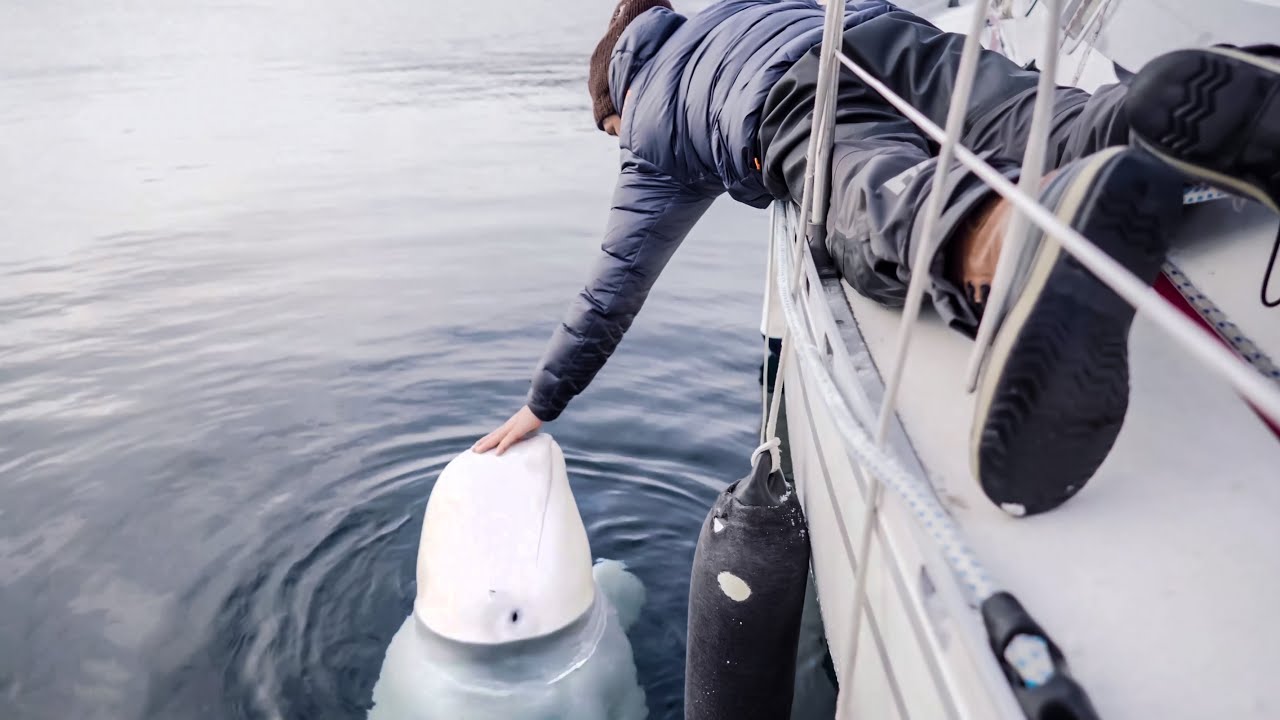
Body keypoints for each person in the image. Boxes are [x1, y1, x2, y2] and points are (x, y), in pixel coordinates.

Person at [475, 0, 1279, 515]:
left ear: (614, 105)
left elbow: (610, 290)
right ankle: (1143, 115)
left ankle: (1004, 240)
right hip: (882, 30)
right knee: (1030, 119)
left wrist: (543, 403)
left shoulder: (649, 127)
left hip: (788, 101)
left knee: (866, 195)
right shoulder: (730, 10)